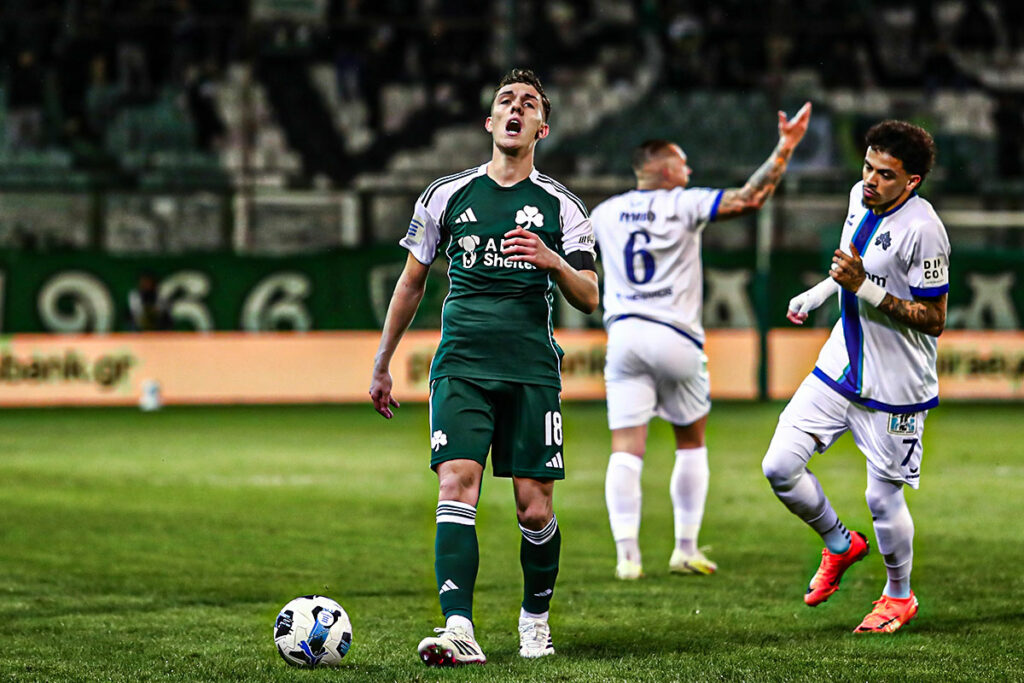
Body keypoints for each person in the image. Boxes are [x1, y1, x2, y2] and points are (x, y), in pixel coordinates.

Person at [369, 68, 598, 666]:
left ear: (541, 127)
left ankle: (535, 620)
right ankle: (459, 628)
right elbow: (412, 282)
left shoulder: (562, 206)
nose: (516, 109)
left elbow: (589, 296)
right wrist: (383, 361)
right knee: (456, 483)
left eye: (529, 104)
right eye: (506, 101)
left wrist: (553, 261)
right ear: (490, 121)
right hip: (461, 366)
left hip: (531, 370)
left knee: (534, 508)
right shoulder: (445, 195)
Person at [589, 103, 811, 581]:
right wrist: (785, 147)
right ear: (666, 169)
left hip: (623, 334)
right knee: (690, 443)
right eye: (683, 163)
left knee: (625, 448)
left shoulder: (604, 213)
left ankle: (627, 558)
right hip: (674, 335)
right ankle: (684, 549)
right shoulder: (682, 202)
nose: (689, 171)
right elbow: (749, 199)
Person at [763, 120, 947, 633]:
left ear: (911, 181)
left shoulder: (924, 230)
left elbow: (934, 319)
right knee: (779, 467)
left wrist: (864, 289)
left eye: (885, 174)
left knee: (881, 498)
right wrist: (817, 294)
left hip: (896, 386)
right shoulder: (857, 197)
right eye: (868, 167)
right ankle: (840, 544)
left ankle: (898, 596)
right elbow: (850, 268)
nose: (871, 180)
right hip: (840, 365)